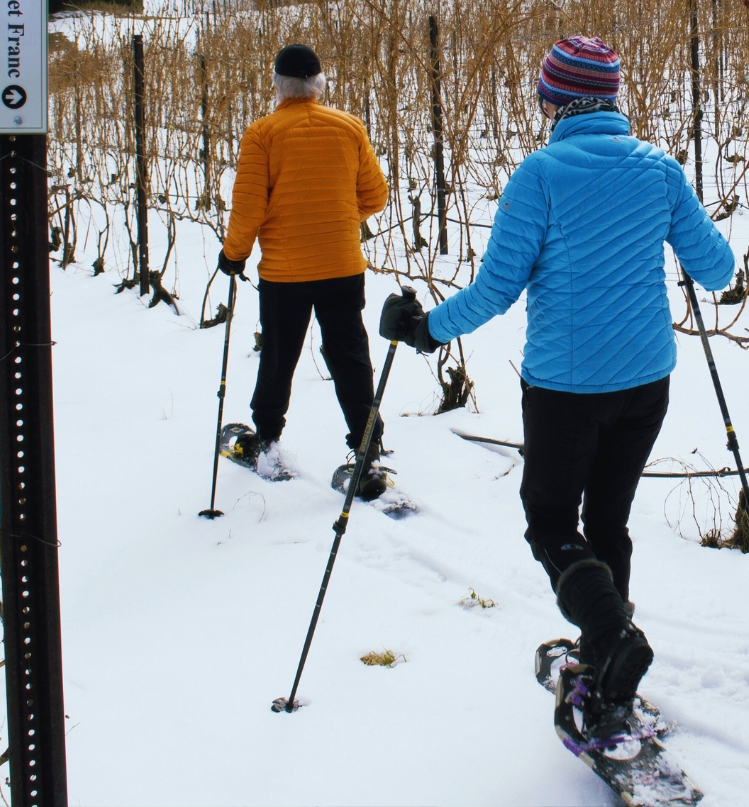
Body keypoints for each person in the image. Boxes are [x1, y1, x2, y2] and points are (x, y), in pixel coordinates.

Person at [380, 35, 734, 707]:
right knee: (608, 522)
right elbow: (718, 270)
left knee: (548, 517)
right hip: (646, 380)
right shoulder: (660, 171)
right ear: (613, 97)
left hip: (567, 389)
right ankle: (608, 648)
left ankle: (608, 634)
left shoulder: (539, 176)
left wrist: (426, 329)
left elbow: (494, 291)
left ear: (551, 98)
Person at [218, 43, 390, 495]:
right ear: (318, 83)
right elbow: (375, 195)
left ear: (277, 85)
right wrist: (338, 219)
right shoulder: (349, 126)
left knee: (279, 354)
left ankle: (268, 443)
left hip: (285, 272)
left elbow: (249, 208)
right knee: (350, 354)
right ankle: (368, 451)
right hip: (342, 265)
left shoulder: (262, 134)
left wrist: (234, 254)